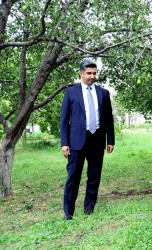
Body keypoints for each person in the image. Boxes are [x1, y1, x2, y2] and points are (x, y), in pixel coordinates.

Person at [60, 60, 115, 220]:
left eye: (94, 73)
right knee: (73, 177)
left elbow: (108, 119)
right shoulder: (71, 93)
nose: (92, 76)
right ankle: (68, 213)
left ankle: (89, 208)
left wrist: (110, 140)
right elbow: (64, 120)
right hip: (76, 141)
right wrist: (65, 143)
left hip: (97, 139)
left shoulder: (103, 93)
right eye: (89, 73)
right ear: (81, 73)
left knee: (94, 175)